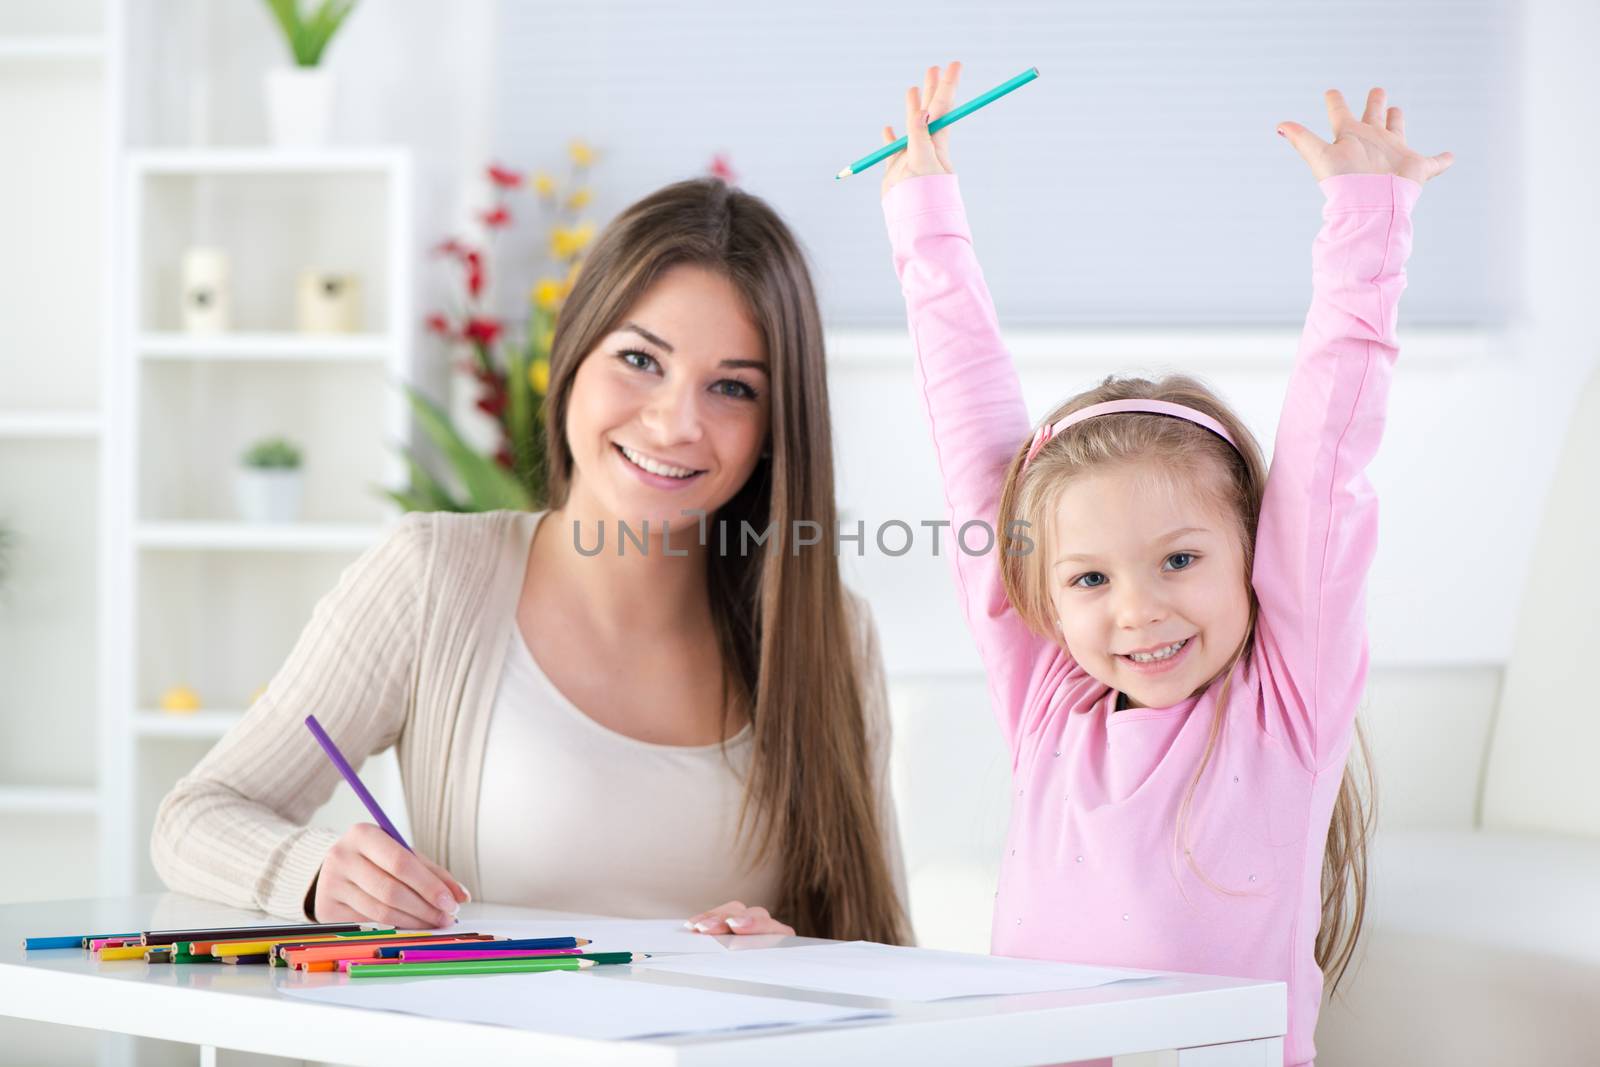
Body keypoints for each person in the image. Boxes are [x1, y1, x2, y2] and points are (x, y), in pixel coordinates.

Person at [152, 177, 910, 947]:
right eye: (642, 359)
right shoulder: (434, 576)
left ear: (776, 427)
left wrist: (801, 962)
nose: (676, 422)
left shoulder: (833, 636)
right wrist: (315, 871)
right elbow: (195, 817)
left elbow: (877, 944)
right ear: (573, 353)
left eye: (731, 387)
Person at [874, 61, 1452, 1063]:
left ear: (1255, 553)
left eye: (1179, 557)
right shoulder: (1048, 692)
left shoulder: (1284, 703)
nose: (1136, 608)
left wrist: (1367, 223)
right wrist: (923, 214)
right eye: (1089, 577)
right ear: (1043, 594)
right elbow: (973, 446)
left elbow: (1328, 455)